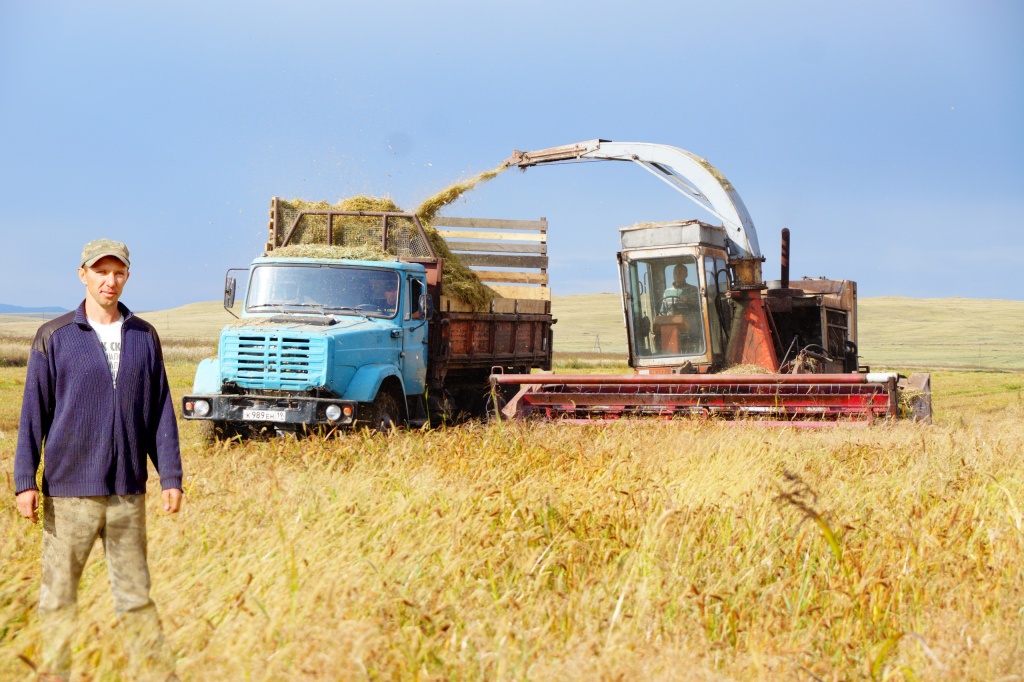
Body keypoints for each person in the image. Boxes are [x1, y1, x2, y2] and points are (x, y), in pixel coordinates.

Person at [14, 238, 183, 681]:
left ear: (127, 276)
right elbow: (34, 411)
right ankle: (55, 674)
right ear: (83, 274)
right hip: (69, 493)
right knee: (58, 596)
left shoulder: (145, 335)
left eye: (119, 273)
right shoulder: (55, 335)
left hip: (127, 492)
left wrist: (171, 476)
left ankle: (155, 675)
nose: (111, 281)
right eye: (101, 272)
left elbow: (159, 408)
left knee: (135, 598)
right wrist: (24, 481)